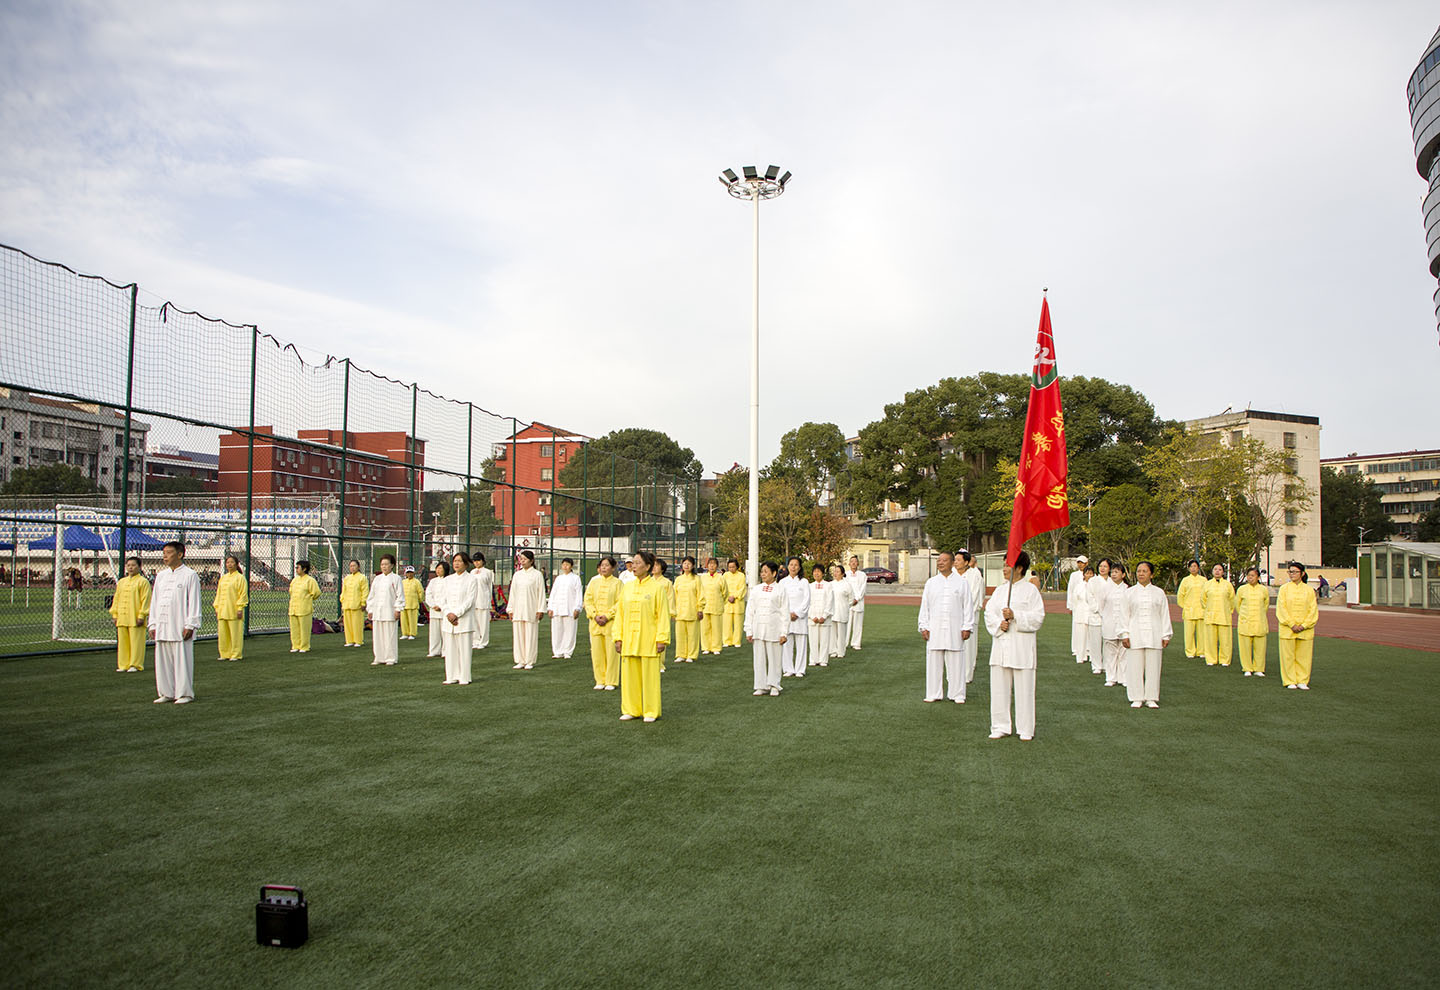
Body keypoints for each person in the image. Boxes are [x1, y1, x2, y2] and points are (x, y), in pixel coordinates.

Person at [985, 551, 1046, 740]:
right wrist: (999, 624)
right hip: (1001, 645)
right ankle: (1000, 726)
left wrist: (1016, 616)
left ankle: (1025, 728)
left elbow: (1038, 618)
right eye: (1004, 565)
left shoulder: (1031, 591)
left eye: (1008, 565)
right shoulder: (1000, 591)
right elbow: (989, 613)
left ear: (1019, 568)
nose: (1004, 569)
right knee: (999, 688)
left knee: (1025, 689)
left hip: (1022, 647)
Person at [613, 551, 669, 722]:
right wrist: (618, 637)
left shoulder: (657, 587)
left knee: (650, 678)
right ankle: (631, 709)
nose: (634, 566)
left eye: (638, 563)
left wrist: (662, 638)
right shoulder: (627, 587)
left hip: (649, 638)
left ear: (648, 567)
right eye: (633, 563)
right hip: (629, 638)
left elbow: (663, 615)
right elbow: (620, 613)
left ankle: (651, 711)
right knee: (629, 676)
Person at [147, 541, 201, 705]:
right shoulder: (161, 576)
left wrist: (190, 625)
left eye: (169, 552)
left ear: (180, 554)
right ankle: (166, 692)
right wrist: (153, 624)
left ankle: (184, 693)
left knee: (182, 660)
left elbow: (194, 602)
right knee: (162, 661)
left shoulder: (190, 575)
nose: (165, 556)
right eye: (164, 552)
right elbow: (155, 601)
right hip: (162, 625)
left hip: (180, 625)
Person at [918, 550, 976, 703]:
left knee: (956, 662)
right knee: (933, 662)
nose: (940, 563)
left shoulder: (962, 582)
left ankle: (957, 694)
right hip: (934, 628)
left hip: (955, 628)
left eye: (944, 560)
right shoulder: (931, 583)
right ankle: (933, 693)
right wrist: (924, 626)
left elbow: (967, 607)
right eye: (939, 560)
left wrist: (967, 627)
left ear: (951, 563)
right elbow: (925, 607)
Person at [1120, 561, 1172, 708]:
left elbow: (1164, 614)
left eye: (1144, 571)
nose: (1141, 574)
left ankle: (1151, 697)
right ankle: (1136, 697)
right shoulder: (1129, 593)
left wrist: (1166, 635)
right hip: (1135, 633)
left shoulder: (1158, 592)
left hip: (1155, 633)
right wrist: (1125, 633)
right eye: (1139, 571)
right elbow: (1124, 615)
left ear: (1151, 574)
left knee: (1154, 666)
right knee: (1135, 666)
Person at [745, 560, 787, 696]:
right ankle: (760, 685)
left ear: (774, 573)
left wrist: (784, 632)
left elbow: (784, 612)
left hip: (774, 628)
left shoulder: (781, 589)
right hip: (758, 628)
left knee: (775, 658)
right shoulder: (756, 589)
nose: (763, 574)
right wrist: (749, 630)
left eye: (766, 571)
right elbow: (750, 610)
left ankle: (774, 684)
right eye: (762, 571)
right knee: (759, 658)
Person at [1276, 562, 1319, 690]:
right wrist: (1291, 624)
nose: (1292, 574)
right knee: (1287, 656)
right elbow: (1281, 609)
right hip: (1287, 628)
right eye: (1290, 572)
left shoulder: (1309, 590)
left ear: (1302, 574)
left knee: (1304, 657)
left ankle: (1302, 680)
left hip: (1305, 630)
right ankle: (1289, 680)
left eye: (1295, 572)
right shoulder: (1284, 589)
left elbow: (1313, 610)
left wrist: (1304, 625)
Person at [584, 556, 622, 690]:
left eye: (607, 565)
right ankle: (600, 679)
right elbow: (587, 600)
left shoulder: (618, 583)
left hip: (610, 623)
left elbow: (620, 603)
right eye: (602, 565)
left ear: (613, 568)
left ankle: (611, 681)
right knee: (596, 653)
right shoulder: (594, 582)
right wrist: (594, 615)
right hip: (595, 623)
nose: (604, 568)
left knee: (611, 653)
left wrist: (607, 616)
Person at [109, 555, 150, 673]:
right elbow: (116, 599)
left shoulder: (143, 582)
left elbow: (145, 600)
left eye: (133, 565)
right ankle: (123, 664)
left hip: (135, 616)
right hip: (122, 616)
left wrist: (142, 615)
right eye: (128, 565)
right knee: (123, 642)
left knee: (136, 641)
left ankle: (135, 664)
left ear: (139, 567)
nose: (130, 568)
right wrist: (115, 614)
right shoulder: (121, 582)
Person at [508, 549, 546, 670]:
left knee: (530, 635)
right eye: (521, 559)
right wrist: (510, 609)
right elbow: (512, 593)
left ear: (531, 561)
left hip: (531, 609)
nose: (522, 561)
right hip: (518, 609)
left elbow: (541, 593)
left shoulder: (537, 575)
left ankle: (529, 660)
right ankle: (520, 660)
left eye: (525, 559)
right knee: (518, 635)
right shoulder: (517, 575)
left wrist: (540, 609)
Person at [442, 552, 477, 685]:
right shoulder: (447, 580)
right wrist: (448, 614)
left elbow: (470, 600)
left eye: (459, 561)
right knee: (450, 650)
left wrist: (456, 614)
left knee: (464, 650)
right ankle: (451, 675)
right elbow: (443, 600)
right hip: (449, 620)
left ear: (466, 564)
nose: (456, 563)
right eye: (455, 561)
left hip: (464, 619)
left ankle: (464, 676)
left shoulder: (471, 579)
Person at [367, 554, 405, 666]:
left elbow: (400, 595)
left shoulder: (396, 578)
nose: (384, 567)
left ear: (392, 565)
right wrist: (370, 610)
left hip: (390, 611)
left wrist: (398, 609)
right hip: (377, 611)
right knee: (378, 636)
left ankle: (390, 658)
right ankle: (379, 657)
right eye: (382, 564)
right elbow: (372, 596)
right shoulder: (377, 579)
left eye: (386, 564)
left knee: (390, 635)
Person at [778, 556, 812, 678]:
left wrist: (797, 613)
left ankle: (800, 669)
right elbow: (780, 600)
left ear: (799, 567)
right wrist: (788, 614)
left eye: (796, 565)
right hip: (786, 617)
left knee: (801, 644)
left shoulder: (804, 582)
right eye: (791, 564)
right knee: (786, 644)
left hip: (800, 618)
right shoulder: (782, 582)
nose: (793, 567)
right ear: (788, 566)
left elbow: (807, 600)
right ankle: (788, 668)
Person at [957, 551, 986, 688]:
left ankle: (967, 675)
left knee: (969, 646)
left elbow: (974, 596)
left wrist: (965, 612)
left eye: (958, 560)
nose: (955, 562)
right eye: (954, 559)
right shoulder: (951, 574)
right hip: (954, 616)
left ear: (967, 562)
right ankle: (955, 674)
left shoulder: (974, 575)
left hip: (970, 615)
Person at [1235, 566, 1270, 677]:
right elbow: (1237, 605)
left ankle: (1259, 668)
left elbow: (1266, 605)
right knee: (1245, 647)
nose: (1250, 578)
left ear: (1258, 577)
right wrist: (1245, 615)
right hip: (1246, 621)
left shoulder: (1263, 590)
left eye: (1253, 575)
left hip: (1259, 621)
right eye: (1249, 575)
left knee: (1260, 647)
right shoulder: (1242, 589)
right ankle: (1247, 668)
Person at [1099, 562, 1129, 688]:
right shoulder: (1105, 588)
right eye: (1112, 572)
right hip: (1109, 624)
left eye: (1117, 572)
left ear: (1123, 574)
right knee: (1110, 653)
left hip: (1123, 625)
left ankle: (1124, 677)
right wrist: (1106, 618)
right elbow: (1101, 606)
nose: (1114, 574)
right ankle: (1111, 677)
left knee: (1124, 652)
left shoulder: (1128, 589)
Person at [546, 558, 583, 660]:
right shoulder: (558, 578)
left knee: (570, 630)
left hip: (570, 608)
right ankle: (557, 651)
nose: (565, 567)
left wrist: (577, 608)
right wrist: (550, 607)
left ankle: (567, 651)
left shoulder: (575, 578)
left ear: (571, 566)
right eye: (563, 565)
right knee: (557, 630)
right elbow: (553, 593)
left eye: (567, 565)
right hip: (557, 608)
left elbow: (579, 594)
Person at [213, 554, 248, 661]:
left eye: (232, 562)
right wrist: (217, 607)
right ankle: (224, 653)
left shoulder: (240, 578)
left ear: (237, 564)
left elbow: (243, 594)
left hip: (233, 610)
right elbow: (218, 594)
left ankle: (236, 653)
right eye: (228, 562)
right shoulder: (223, 578)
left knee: (235, 633)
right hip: (223, 610)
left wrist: (240, 608)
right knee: (223, 633)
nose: (230, 564)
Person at [1202, 563, 1236, 667]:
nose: (1217, 571)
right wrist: (1208, 610)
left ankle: (1225, 660)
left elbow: (1232, 600)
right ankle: (1211, 659)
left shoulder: (1228, 585)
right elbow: (1203, 600)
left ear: (1223, 572)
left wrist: (1227, 611)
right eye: (1215, 569)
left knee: (1225, 640)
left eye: (1220, 569)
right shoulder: (1207, 584)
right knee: (1210, 639)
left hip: (1224, 616)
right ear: (1212, 572)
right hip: (1210, 615)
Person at [672, 556, 703, 663]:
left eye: (689, 564)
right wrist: (673, 610)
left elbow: (701, 595)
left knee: (692, 634)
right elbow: (674, 595)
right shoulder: (678, 579)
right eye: (684, 563)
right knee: (680, 634)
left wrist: (700, 609)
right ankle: (681, 654)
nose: (686, 566)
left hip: (692, 610)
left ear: (693, 565)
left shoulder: (697, 579)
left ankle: (691, 654)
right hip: (680, 611)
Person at [1176, 560, 1207, 659]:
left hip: (1201, 610)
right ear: (1189, 568)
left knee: (1202, 633)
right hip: (1189, 610)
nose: (1193, 568)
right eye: (1191, 566)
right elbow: (1180, 595)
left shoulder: (1204, 580)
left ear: (1198, 568)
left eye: (1195, 566)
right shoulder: (1185, 580)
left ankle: (1201, 651)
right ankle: (1190, 651)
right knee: (1189, 633)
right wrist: (1185, 606)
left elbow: (1207, 594)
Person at [287, 560, 320, 653]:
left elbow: (316, 592)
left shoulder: (310, 580)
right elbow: (291, 591)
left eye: (298, 567)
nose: (296, 569)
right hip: (293, 608)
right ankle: (295, 645)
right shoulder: (294, 580)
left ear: (304, 569)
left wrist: (308, 598)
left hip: (304, 608)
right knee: (294, 629)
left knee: (304, 628)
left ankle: (304, 646)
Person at [1083, 560, 1108, 675]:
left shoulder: (1112, 581)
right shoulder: (1093, 581)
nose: (1102, 568)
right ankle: (1096, 665)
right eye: (1101, 566)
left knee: (1108, 642)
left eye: (1105, 566)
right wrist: (1097, 608)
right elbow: (1089, 596)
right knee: (1095, 642)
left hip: (1109, 616)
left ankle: (1108, 665)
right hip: (1095, 615)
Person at [650, 558, 674, 671]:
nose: (654, 567)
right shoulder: (648, 581)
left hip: (662, 614)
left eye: (657, 566)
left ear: (662, 568)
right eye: (653, 565)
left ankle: (660, 664)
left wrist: (670, 612)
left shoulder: (667, 583)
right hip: (649, 615)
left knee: (661, 638)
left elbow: (670, 599)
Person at [1065, 554, 1090, 662]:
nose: (1080, 564)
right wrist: (1070, 605)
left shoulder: (1092, 574)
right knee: (1077, 627)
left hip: (1088, 605)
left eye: (1082, 562)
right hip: (1077, 605)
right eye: (1078, 562)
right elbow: (1070, 590)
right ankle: (1076, 648)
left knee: (1088, 628)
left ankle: (1088, 649)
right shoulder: (1074, 575)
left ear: (1086, 563)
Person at [699, 557, 725, 654]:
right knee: (705, 628)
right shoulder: (703, 577)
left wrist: (721, 602)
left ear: (717, 566)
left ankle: (716, 648)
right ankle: (706, 647)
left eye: (714, 564)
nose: (712, 566)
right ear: (707, 566)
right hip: (705, 606)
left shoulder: (721, 578)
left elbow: (725, 592)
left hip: (716, 606)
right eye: (710, 564)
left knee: (716, 628)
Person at [827, 562, 853, 659]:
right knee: (832, 632)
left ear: (842, 574)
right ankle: (833, 650)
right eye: (835, 571)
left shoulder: (847, 585)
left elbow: (851, 599)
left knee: (842, 633)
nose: (835, 573)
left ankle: (841, 651)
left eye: (838, 572)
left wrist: (846, 606)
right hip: (832, 611)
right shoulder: (830, 584)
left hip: (842, 611)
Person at [340, 559, 368, 648]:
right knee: (347, 624)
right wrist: (342, 600)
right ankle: (349, 640)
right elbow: (344, 591)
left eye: (354, 566)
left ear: (358, 567)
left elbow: (365, 591)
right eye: (351, 566)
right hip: (347, 604)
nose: (352, 568)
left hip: (357, 604)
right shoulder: (347, 578)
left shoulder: (362, 577)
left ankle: (358, 640)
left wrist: (363, 602)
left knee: (357, 624)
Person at [809, 563, 832, 667]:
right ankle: (813, 659)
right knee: (813, 640)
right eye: (815, 571)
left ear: (823, 573)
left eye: (818, 571)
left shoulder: (828, 585)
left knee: (824, 640)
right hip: (812, 618)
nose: (816, 573)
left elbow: (830, 602)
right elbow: (807, 603)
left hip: (824, 618)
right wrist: (812, 616)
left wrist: (824, 615)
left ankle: (823, 660)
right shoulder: (809, 586)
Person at [425, 561, 449, 659]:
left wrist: (441, 606)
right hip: (434, 611)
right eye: (437, 568)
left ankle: (445, 651)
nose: (438, 570)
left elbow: (448, 595)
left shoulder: (448, 580)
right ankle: (434, 650)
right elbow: (428, 594)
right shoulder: (433, 581)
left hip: (444, 611)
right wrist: (433, 605)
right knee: (434, 633)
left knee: (445, 632)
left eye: (440, 568)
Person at [722, 558, 748, 649]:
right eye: (729, 567)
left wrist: (735, 596)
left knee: (738, 624)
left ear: (737, 567)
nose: (731, 568)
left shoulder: (741, 576)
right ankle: (727, 640)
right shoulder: (725, 575)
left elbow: (742, 588)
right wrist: (728, 596)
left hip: (737, 602)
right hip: (727, 602)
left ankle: (737, 641)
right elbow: (723, 588)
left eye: (733, 567)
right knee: (726, 623)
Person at [471, 553, 495, 650]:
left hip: (483, 599)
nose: (476, 563)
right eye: (475, 561)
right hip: (474, 600)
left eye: (478, 560)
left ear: (482, 561)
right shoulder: (472, 572)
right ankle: (476, 640)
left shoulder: (488, 572)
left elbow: (489, 586)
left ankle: (483, 641)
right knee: (475, 622)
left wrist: (489, 601)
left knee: (483, 623)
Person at [847, 555, 868, 649]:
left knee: (858, 624)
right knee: (846, 624)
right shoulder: (845, 575)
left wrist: (857, 598)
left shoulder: (863, 575)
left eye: (855, 561)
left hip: (858, 603)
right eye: (852, 561)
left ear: (858, 563)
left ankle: (856, 643)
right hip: (848, 603)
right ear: (849, 563)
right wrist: (851, 600)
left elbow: (863, 589)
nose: (853, 563)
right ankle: (844, 642)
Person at [400, 565, 424, 639]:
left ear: (413, 573)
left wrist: (419, 600)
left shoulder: (417, 582)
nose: (409, 574)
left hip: (413, 604)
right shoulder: (403, 582)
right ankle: (405, 633)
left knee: (412, 620)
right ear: (405, 574)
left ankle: (412, 634)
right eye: (408, 573)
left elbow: (421, 592)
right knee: (404, 620)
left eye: (411, 572)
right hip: (404, 604)